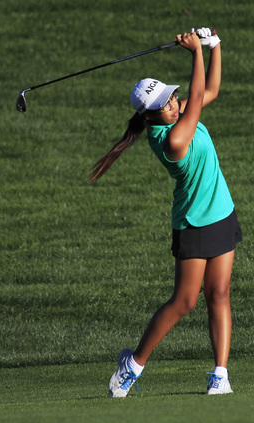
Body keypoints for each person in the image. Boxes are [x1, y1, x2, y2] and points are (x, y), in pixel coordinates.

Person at [89, 28, 242, 397]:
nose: (174, 103)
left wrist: (215, 44)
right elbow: (200, 94)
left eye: (172, 96)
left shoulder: (176, 116)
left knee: (219, 294)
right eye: (165, 103)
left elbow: (211, 91)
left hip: (222, 213)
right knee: (184, 301)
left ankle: (220, 375)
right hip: (193, 225)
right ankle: (134, 364)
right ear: (150, 116)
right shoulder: (171, 139)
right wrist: (195, 54)